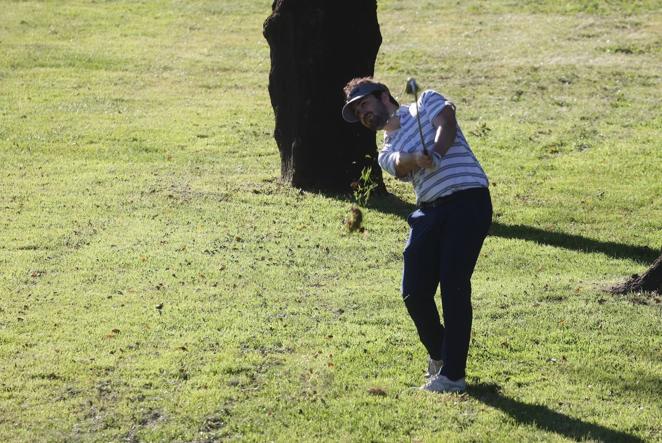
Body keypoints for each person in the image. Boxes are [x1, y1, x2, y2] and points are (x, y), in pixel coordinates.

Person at [341, 77, 492, 393]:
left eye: (364, 104)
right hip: (428, 211)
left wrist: (435, 152)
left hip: (467, 199)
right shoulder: (387, 148)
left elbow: (446, 124)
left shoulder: (425, 102)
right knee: (414, 291)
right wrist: (416, 158)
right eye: (357, 112)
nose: (363, 114)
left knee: (453, 283)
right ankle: (440, 355)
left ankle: (453, 376)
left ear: (383, 96)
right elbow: (399, 165)